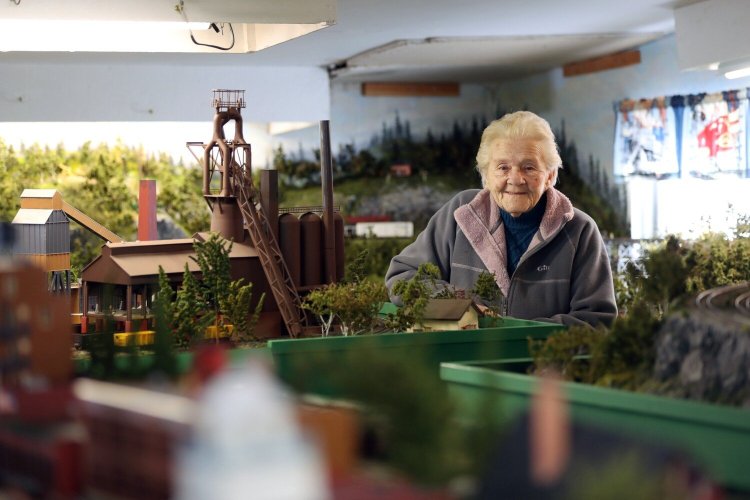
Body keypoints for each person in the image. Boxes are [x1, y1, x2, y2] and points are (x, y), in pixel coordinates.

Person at [385, 111, 616, 327]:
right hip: (463, 364)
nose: (515, 179)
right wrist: (461, 306)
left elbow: (595, 320)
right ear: (486, 176)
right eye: (503, 167)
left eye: (529, 167)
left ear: (550, 175)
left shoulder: (580, 230)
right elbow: (403, 278)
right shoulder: (460, 213)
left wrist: (515, 336)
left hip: (544, 368)